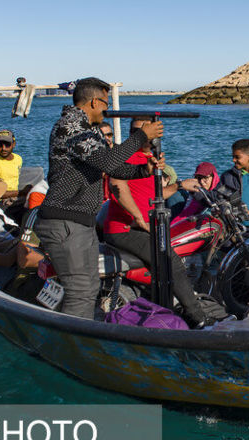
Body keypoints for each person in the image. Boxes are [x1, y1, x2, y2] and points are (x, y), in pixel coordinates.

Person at [34, 77, 165, 319]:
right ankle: (74, 346)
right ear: (95, 101)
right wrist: (139, 137)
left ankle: (77, 336)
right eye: (106, 103)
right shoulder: (71, 127)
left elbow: (110, 166)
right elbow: (106, 161)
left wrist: (143, 170)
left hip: (80, 222)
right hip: (64, 222)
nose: (108, 109)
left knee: (89, 287)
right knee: (80, 290)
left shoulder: (89, 131)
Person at [103, 118, 209, 327]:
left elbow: (153, 194)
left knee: (167, 261)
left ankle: (166, 309)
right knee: (173, 263)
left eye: (149, 130)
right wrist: (139, 218)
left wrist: (181, 185)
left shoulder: (148, 158)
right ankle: (199, 318)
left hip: (142, 224)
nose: (146, 134)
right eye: (139, 130)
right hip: (124, 229)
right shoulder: (126, 156)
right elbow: (117, 187)